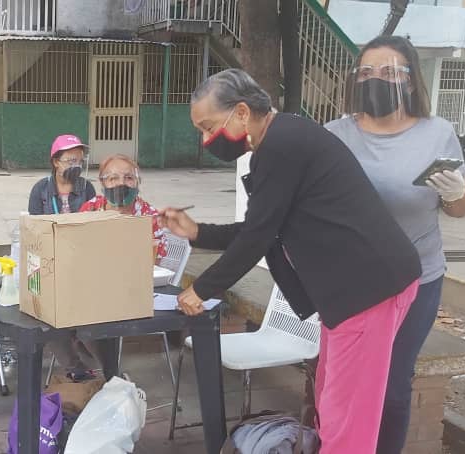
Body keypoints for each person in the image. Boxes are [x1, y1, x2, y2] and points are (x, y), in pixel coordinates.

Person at [159, 68, 422, 454]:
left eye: (209, 126)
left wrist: (202, 289)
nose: (206, 139)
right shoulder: (279, 143)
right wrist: (198, 232)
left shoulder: (284, 144)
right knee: (331, 401)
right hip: (347, 292)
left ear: (243, 113)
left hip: (367, 288)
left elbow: (257, 237)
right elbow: (262, 227)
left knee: (347, 417)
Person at [324, 35, 465, 454]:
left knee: (391, 385)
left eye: (389, 72)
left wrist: (454, 193)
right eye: (367, 72)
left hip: (417, 278)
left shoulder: (437, 133)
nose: (377, 80)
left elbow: (461, 208)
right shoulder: (335, 134)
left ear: (409, 81)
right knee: (345, 381)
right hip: (353, 282)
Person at [43, 153, 170, 381]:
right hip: (89, 288)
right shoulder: (92, 208)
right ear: (102, 183)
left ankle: (112, 375)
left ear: (138, 183)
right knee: (46, 309)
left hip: (131, 292)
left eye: (129, 178)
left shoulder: (149, 217)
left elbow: (154, 265)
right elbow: (74, 249)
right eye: (112, 178)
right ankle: (77, 368)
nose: (121, 183)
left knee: (92, 313)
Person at [27, 134, 97, 215]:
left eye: (80, 161)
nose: (77, 166)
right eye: (72, 161)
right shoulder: (41, 189)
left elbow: (92, 220)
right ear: (56, 162)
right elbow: (34, 222)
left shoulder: (87, 187)